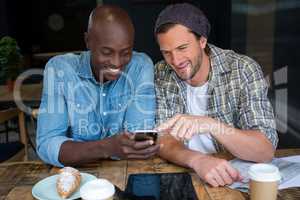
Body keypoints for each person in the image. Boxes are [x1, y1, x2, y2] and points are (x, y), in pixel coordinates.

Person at [154, 3, 278, 187]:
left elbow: (265, 150)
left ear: (202, 41)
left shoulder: (242, 69)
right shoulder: (161, 72)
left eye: (182, 48)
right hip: (186, 175)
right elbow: (162, 139)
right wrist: (197, 160)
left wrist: (210, 124)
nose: (175, 61)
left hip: (233, 178)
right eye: (166, 53)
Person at [37, 5, 160, 167]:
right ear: (88, 41)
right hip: (76, 176)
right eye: (107, 52)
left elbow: (138, 143)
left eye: (126, 53)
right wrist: (106, 147)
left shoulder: (140, 66)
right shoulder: (60, 70)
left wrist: (86, 150)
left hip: (125, 172)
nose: (117, 63)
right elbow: (47, 144)